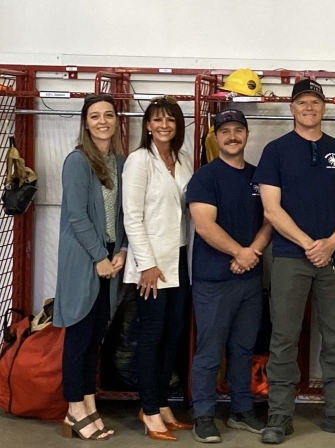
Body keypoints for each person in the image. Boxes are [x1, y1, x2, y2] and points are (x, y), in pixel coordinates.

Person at [253, 78, 335, 444]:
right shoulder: (276, 151)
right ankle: (279, 418)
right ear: (292, 108)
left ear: (323, 108)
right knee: (284, 339)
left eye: (315, 102)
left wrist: (332, 241)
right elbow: (271, 209)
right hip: (290, 258)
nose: (309, 108)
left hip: (334, 259)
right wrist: (308, 244)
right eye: (302, 102)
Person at [186, 109, 273, 443]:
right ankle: (204, 415)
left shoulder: (257, 176)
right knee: (210, 350)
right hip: (214, 281)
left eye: (238, 130)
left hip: (249, 279)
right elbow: (205, 225)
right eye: (226, 131)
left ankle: (241, 409)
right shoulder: (205, 177)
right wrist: (241, 253)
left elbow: (269, 219)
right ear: (216, 136)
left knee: (243, 348)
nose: (232, 136)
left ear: (246, 135)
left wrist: (252, 253)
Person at [122, 95, 194, 441]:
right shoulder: (139, 161)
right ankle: (148, 409)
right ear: (147, 125)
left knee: (173, 334)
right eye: (157, 119)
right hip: (152, 264)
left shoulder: (181, 160)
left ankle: (162, 402)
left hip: (179, 259)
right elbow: (132, 216)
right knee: (151, 337)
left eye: (170, 120)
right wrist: (146, 264)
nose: (164, 125)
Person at [55, 93, 127, 441]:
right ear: (85, 122)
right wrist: (99, 256)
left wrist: (123, 250)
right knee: (79, 337)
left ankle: (87, 400)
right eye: (95, 116)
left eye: (108, 115)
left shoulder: (120, 162)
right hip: (85, 259)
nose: (102, 121)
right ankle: (72, 408)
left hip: (110, 257)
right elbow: (78, 217)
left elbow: (123, 215)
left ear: (116, 121)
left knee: (95, 335)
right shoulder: (77, 161)